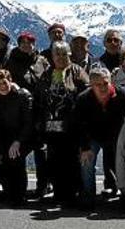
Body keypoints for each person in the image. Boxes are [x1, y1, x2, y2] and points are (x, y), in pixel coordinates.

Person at [33, 41, 88, 205]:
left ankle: (74, 193)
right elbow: (38, 98)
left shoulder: (77, 71)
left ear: (70, 54)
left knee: (72, 159)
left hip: (72, 126)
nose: (61, 57)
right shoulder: (47, 74)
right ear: (52, 56)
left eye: (65, 54)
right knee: (54, 159)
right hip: (51, 125)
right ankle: (59, 192)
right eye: (58, 54)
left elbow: (86, 95)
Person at [74, 68, 125, 208]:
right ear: (91, 85)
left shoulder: (121, 93)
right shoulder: (83, 99)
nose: (103, 87)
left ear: (111, 82)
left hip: (115, 135)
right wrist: (85, 147)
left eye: (105, 83)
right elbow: (78, 125)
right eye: (98, 85)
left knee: (121, 164)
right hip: (92, 136)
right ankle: (88, 195)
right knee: (86, 162)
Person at [4, 31, 50, 196]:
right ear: (19, 44)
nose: (26, 44)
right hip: (20, 114)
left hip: (40, 113)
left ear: (34, 44)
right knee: (19, 150)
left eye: (30, 42)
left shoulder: (42, 61)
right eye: (23, 42)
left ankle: (43, 186)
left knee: (42, 152)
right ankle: (18, 188)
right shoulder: (11, 62)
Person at [0, 70, 33, 206]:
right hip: (5, 139)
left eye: (4, 83)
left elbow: (28, 122)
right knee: (1, 161)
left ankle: (20, 195)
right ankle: (8, 192)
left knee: (16, 158)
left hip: (23, 138)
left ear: (10, 81)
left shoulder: (23, 96)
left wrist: (18, 142)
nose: (2, 86)